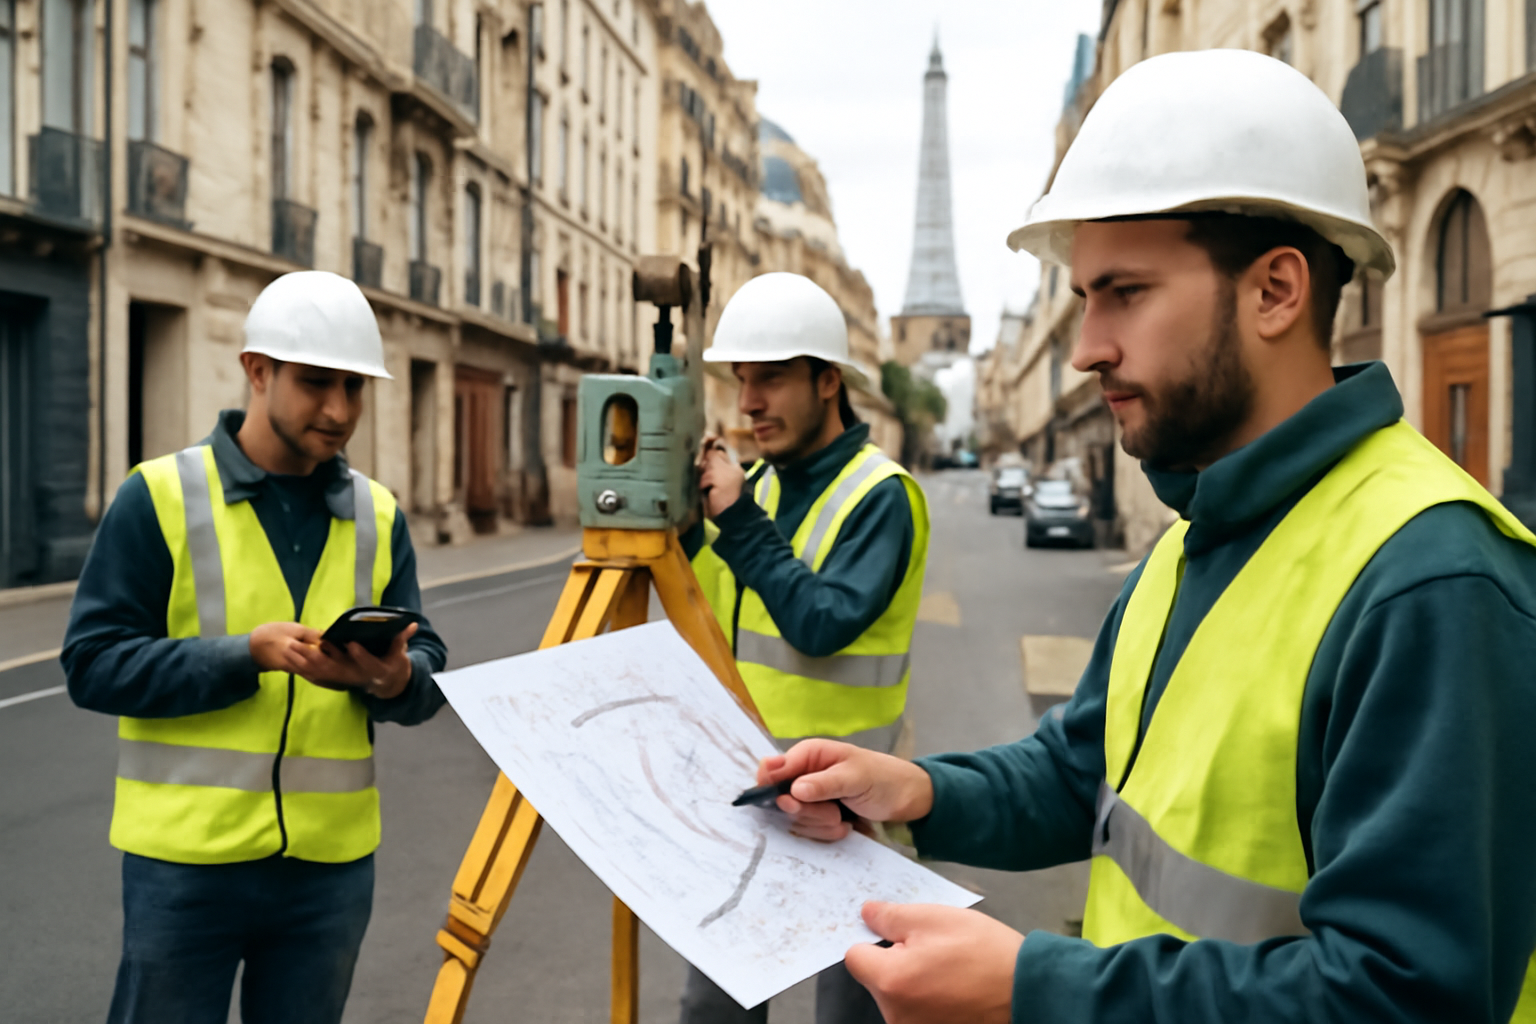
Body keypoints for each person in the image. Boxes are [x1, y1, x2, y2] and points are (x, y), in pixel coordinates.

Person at [753, 49, 1536, 1024]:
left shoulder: (1434, 582)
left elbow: (1406, 998)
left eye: (1124, 292)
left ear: (1276, 291)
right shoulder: (1191, 541)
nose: (1085, 349)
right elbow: (1086, 770)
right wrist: (914, 791)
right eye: (1083, 300)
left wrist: (1033, 985)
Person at [63, 271, 449, 1024]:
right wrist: (244, 654)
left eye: (355, 388)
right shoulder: (159, 495)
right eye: (315, 384)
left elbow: (425, 664)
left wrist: (396, 678)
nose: (339, 411)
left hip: (329, 874)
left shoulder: (377, 514)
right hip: (186, 867)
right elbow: (91, 663)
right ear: (257, 370)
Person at [678, 272, 931, 1024]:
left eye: (773, 379)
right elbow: (702, 616)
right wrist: (681, 526)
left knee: (853, 1015)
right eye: (743, 380)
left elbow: (821, 625)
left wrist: (742, 523)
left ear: (828, 381)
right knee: (713, 1012)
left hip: (855, 817)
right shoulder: (749, 487)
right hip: (750, 806)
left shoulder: (881, 495)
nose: (750, 401)